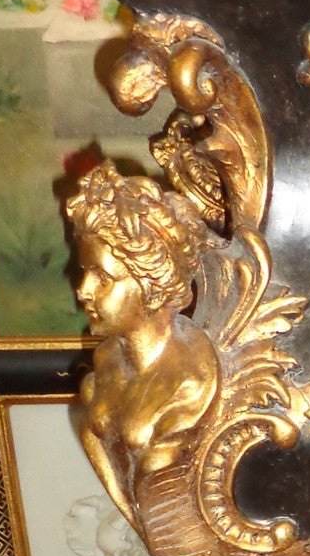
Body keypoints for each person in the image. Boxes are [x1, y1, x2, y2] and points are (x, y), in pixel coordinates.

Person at [65, 161, 220, 524]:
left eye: (103, 277)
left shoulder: (190, 382)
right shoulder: (107, 359)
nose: (83, 290)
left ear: (151, 286)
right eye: (86, 272)